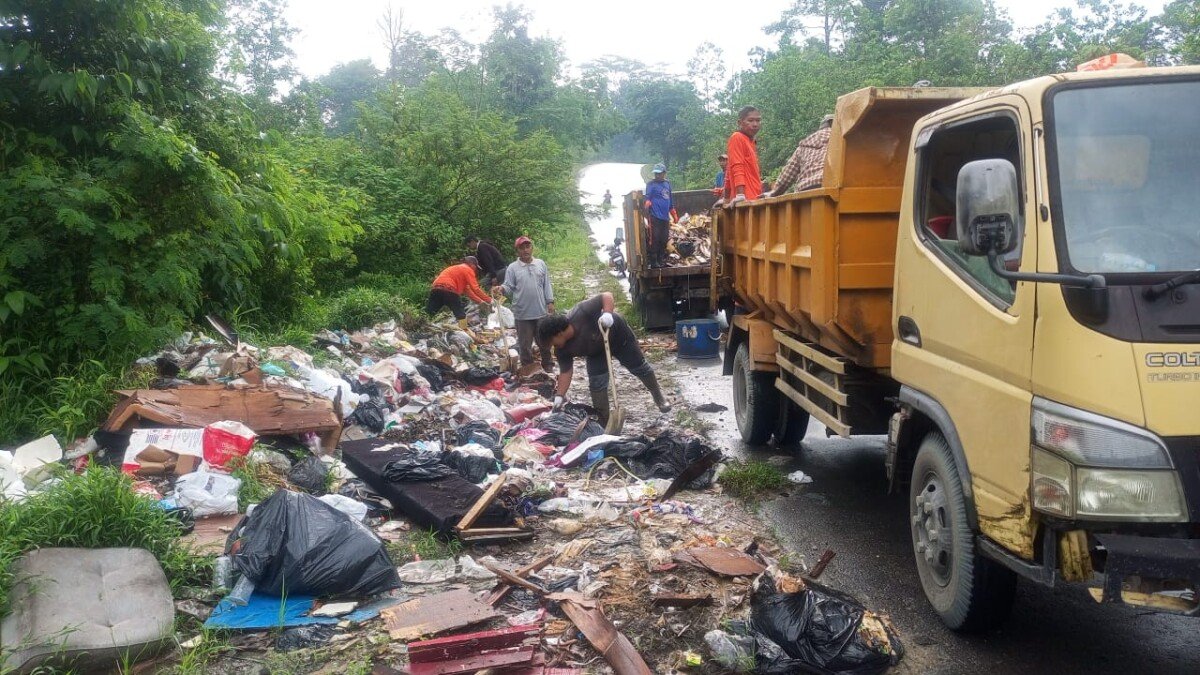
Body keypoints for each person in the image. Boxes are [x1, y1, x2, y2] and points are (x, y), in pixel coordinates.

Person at [536, 292, 671, 425]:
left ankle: (658, 396)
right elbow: (566, 372)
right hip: (596, 352)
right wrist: (559, 397)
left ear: (559, 333)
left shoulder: (580, 312)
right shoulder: (562, 350)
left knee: (639, 368)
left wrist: (607, 313)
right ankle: (604, 421)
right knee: (597, 383)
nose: (554, 347)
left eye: (553, 342)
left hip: (619, 337)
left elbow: (606, 296)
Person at [493, 236, 556, 373]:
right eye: (522, 248)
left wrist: (550, 301)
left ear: (531, 248)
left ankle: (548, 366)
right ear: (517, 251)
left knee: (544, 342)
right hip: (522, 314)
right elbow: (509, 286)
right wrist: (501, 289)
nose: (526, 250)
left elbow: (546, 284)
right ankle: (528, 370)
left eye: (528, 247)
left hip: (540, 311)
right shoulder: (512, 268)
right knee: (525, 346)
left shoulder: (540, 264)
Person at [766, 114, 834, 196]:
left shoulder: (804, 144)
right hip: (834, 185)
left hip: (806, 188)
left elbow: (787, 176)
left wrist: (772, 193)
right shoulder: (844, 141)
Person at [425, 256, 493, 334]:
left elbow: (469, 292)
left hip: (436, 288)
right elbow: (476, 289)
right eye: (476, 268)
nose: (475, 271)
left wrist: (481, 302)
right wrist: (489, 300)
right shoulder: (468, 269)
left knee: (430, 312)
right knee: (460, 314)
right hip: (449, 289)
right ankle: (465, 332)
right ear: (472, 265)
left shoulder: (457, 270)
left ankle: (421, 328)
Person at [721, 106, 763, 206]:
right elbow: (736, 166)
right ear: (740, 123)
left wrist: (726, 198)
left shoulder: (750, 141)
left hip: (755, 197)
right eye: (751, 120)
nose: (755, 124)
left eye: (758, 120)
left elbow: (729, 171)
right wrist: (740, 195)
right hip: (746, 201)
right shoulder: (737, 138)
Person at [643, 163, 673, 268]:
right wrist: (647, 202)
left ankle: (661, 260)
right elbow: (648, 196)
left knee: (664, 239)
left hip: (665, 217)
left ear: (664, 173)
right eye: (656, 174)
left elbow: (670, 197)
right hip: (655, 216)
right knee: (655, 238)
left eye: (659, 173)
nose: (657, 176)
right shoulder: (651, 184)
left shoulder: (667, 184)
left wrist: (672, 210)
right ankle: (654, 261)